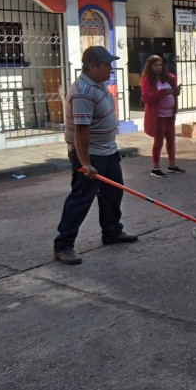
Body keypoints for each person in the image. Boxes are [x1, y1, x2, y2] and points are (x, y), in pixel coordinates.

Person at [54, 46, 137, 265]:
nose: (110, 68)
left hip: (108, 150)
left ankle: (112, 232)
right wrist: (85, 163)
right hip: (90, 154)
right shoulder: (82, 92)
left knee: (113, 193)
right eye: (106, 64)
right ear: (92, 66)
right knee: (81, 198)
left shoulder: (98, 84)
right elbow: (81, 131)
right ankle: (63, 245)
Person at [140, 54, 184, 177]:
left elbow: (172, 92)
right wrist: (163, 93)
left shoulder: (168, 78)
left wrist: (175, 92)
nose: (158, 68)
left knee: (171, 140)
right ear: (150, 67)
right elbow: (146, 98)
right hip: (158, 116)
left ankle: (172, 165)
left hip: (170, 115)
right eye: (155, 65)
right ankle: (155, 168)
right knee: (158, 142)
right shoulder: (147, 80)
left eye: (160, 65)